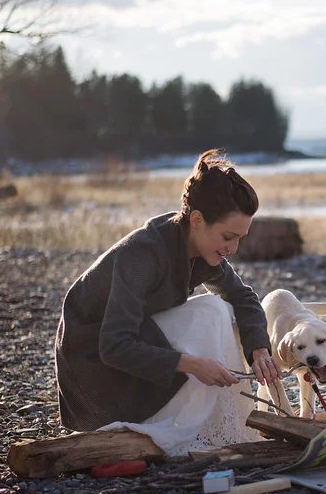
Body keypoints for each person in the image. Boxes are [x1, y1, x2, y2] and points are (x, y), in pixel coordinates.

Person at [54, 149, 281, 450]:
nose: (234, 248)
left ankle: (208, 423)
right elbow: (114, 344)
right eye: (228, 237)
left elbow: (242, 296)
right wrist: (192, 364)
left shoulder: (197, 247)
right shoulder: (142, 254)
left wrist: (260, 349)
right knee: (210, 311)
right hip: (94, 371)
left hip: (132, 341)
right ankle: (180, 425)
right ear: (197, 219)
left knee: (217, 307)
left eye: (240, 238)